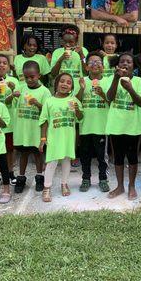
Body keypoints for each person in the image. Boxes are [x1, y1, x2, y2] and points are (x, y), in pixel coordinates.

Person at [105, 52, 141, 200]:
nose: (125, 64)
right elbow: (109, 98)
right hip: (116, 124)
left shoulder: (139, 81)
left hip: (132, 126)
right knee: (118, 157)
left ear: (133, 66)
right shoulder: (111, 78)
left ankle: (132, 186)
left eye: (129, 62)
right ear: (117, 64)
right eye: (122, 61)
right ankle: (120, 186)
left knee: (133, 157)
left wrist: (129, 88)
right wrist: (116, 78)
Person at [39, 73, 83, 202]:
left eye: (69, 83)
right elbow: (44, 121)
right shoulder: (49, 101)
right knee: (52, 162)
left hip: (68, 137)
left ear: (71, 87)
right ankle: (46, 188)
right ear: (56, 83)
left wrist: (77, 110)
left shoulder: (74, 100)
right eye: (62, 81)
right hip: (54, 137)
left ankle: (64, 184)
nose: (65, 84)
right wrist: (42, 139)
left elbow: (80, 118)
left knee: (66, 160)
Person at [10, 61, 51, 193]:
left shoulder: (44, 91)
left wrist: (38, 104)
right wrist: (11, 94)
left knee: (38, 154)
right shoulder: (21, 88)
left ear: (39, 75)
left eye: (32, 76)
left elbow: (48, 112)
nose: (29, 79)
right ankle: (21, 178)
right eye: (26, 77)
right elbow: (8, 103)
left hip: (36, 131)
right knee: (23, 154)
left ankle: (40, 177)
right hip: (22, 130)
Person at [76, 51, 110, 193]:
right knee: (85, 155)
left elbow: (112, 102)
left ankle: (103, 179)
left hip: (102, 126)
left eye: (98, 62)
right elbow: (76, 102)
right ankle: (86, 178)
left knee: (102, 156)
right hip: (85, 126)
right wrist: (82, 89)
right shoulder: (82, 80)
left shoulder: (108, 81)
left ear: (103, 66)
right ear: (86, 67)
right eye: (91, 62)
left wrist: (102, 93)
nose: (95, 65)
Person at [0, 54, 19, 187]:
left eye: (4, 63)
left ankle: (10, 172)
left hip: (10, 121)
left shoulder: (14, 80)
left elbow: (16, 101)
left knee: (10, 149)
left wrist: (13, 90)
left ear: (9, 67)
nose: (1, 65)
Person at [50, 24, 88, 92]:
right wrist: (61, 59)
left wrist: (82, 56)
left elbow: (87, 71)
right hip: (61, 90)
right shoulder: (57, 52)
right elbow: (53, 74)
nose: (67, 44)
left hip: (78, 89)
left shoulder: (83, 51)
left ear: (76, 41)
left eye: (71, 42)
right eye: (65, 41)